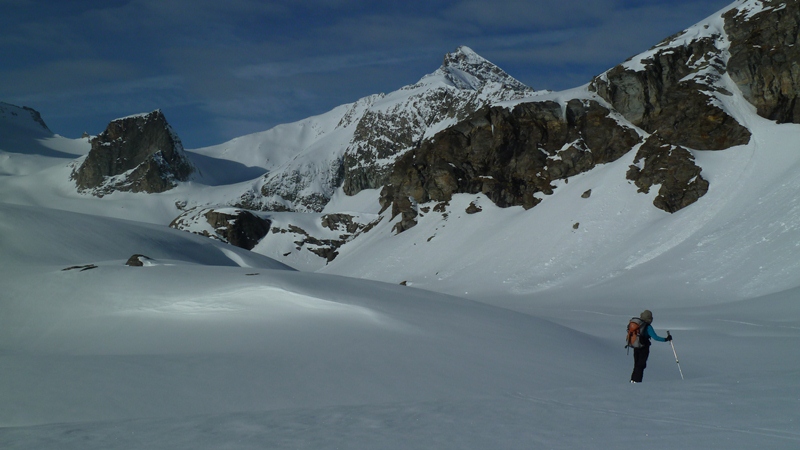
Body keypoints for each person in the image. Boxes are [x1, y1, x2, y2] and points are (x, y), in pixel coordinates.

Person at [631, 309, 672, 383]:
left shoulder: (637, 325)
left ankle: (633, 380)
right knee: (641, 365)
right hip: (643, 347)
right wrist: (666, 339)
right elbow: (656, 338)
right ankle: (637, 381)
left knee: (636, 365)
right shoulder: (647, 326)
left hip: (636, 347)